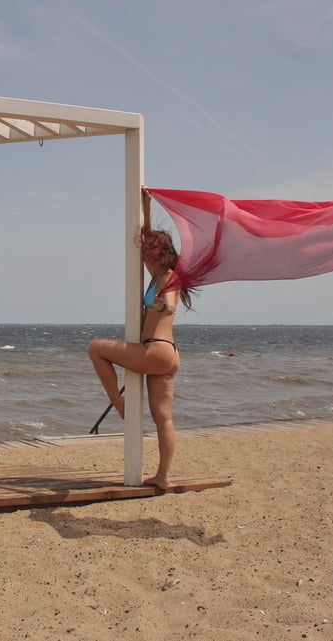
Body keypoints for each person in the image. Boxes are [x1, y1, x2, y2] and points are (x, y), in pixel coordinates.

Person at [87, 187, 194, 490]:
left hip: (156, 351)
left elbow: (170, 301)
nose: (148, 252)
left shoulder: (170, 276)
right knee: (163, 418)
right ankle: (163, 477)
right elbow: (145, 234)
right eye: (146, 248)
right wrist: (146, 206)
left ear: (166, 252)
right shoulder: (154, 273)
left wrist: (165, 304)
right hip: (168, 355)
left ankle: (120, 406)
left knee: (96, 348)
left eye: (154, 249)